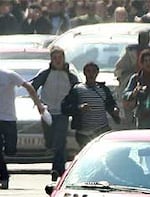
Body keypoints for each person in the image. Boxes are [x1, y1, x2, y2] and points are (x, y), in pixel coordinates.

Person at [31, 46, 79, 181]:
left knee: (60, 141)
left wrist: (73, 107)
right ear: (51, 59)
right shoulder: (45, 73)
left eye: (60, 58)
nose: (58, 61)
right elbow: (32, 88)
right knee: (51, 141)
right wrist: (39, 104)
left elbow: (78, 91)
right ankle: (59, 168)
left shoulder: (70, 75)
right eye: (55, 58)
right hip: (47, 112)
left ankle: (57, 169)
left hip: (63, 113)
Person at [0, 68, 45, 189]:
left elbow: (28, 87)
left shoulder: (8, 75)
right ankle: (4, 176)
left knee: (10, 150)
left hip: (9, 118)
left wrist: (38, 104)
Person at [61, 62, 120, 148]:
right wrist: (79, 108)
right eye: (88, 71)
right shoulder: (77, 89)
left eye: (93, 71)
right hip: (83, 133)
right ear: (84, 73)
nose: (91, 74)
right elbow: (65, 108)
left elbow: (111, 104)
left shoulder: (103, 89)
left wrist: (114, 110)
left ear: (97, 73)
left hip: (101, 130)